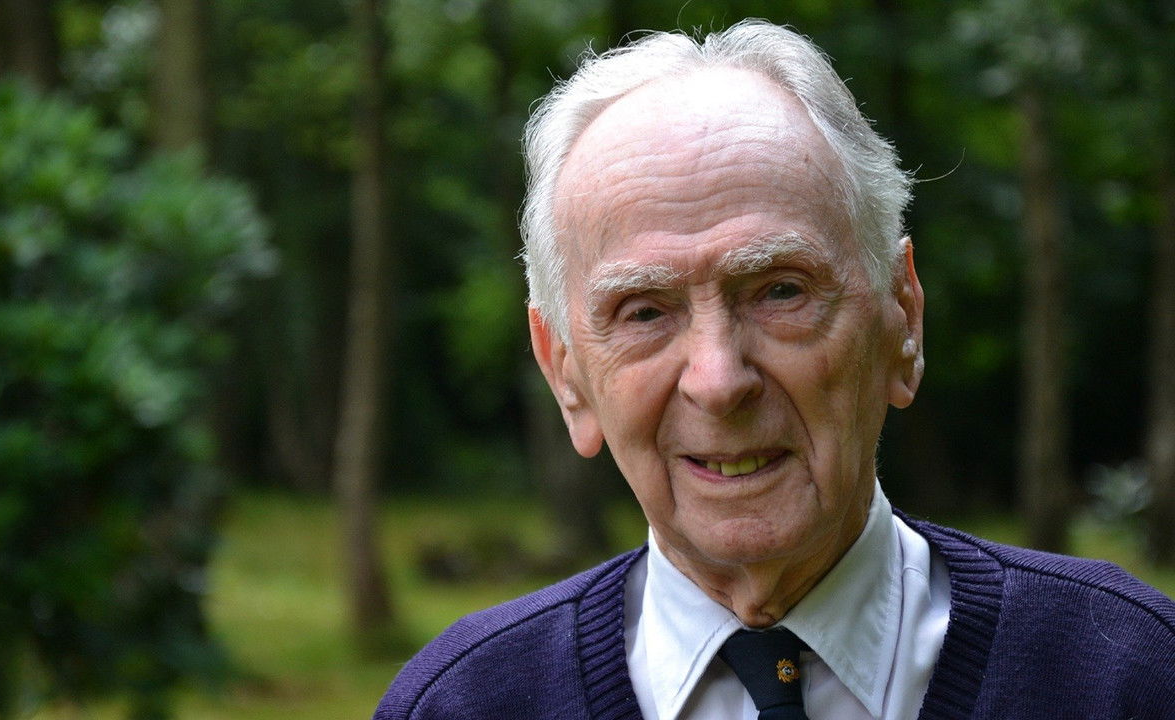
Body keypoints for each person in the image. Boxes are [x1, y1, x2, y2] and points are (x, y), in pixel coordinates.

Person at [374, 19, 1175, 720]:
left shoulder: (1129, 677)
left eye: (780, 291)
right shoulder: (460, 704)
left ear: (902, 318)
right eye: (645, 312)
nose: (719, 381)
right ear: (565, 373)